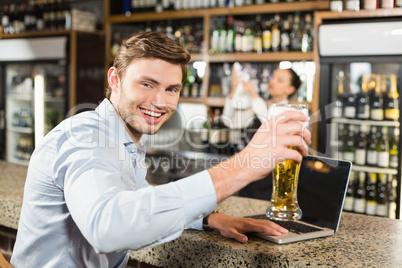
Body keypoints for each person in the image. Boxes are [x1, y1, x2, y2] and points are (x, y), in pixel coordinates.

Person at [11, 32, 310, 268]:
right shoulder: (85, 135)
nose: (160, 101)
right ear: (115, 80)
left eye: (171, 89)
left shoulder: (122, 140)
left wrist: (207, 219)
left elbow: (137, 200)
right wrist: (242, 166)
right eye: (147, 84)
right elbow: (108, 227)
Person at [222, 66, 303, 200]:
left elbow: (270, 126)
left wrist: (254, 96)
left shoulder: (290, 114)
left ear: (290, 89)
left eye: (280, 80)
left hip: (270, 179)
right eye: (272, 77)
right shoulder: (260, 106)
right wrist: (233, 89)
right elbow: (229, 121)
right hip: (248, 174)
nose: (272, 81)